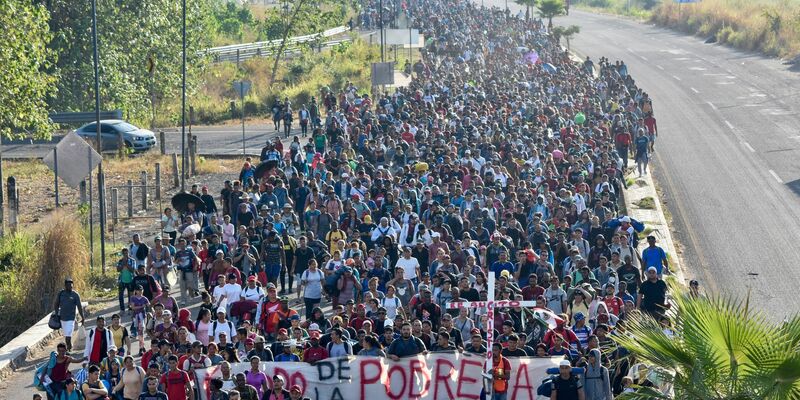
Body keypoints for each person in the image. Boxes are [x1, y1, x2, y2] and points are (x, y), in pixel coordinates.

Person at [53, 278, 85, 352]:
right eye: (68, 284)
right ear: (65, 285)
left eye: (71, 284)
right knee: (66, 334)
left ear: (73, 285)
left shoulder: (75, 295)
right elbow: (56, 304)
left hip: (71, 318)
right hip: (62, 318)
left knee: (68, 334)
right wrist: (57, 314)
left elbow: (79, 307)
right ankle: (69, 346)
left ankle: (68, 348)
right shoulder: (61, 294)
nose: (70, 286)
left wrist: (83, 317)